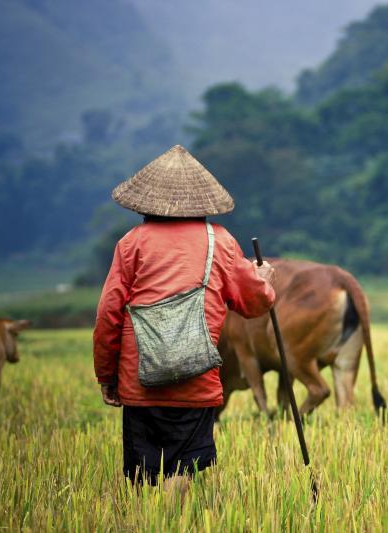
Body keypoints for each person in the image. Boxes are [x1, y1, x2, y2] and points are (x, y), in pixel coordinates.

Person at [93, 144, 275, 496]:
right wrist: (264, 279)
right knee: (184, 464)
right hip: (196, 378)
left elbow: (108, 315)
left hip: (139, 379)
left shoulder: (130, 244)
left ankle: (147, 520)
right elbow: (252, 303)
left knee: (143, 472)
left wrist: (106, 374)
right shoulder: (220, 241)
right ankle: (172, 520)